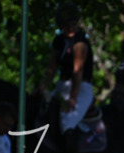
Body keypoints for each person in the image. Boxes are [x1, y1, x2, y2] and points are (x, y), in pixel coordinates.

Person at [39, 3, 94, 137]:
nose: (71, 28)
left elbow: (78, 70)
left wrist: (73, 98)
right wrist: (42, 86)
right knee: (41, 112)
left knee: (66, 123)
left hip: (81, 88)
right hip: (62, 87)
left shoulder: (80, 42)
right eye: (67, 26)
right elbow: (52, 68)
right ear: (61, 26)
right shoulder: (58, 41)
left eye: (74, 24)